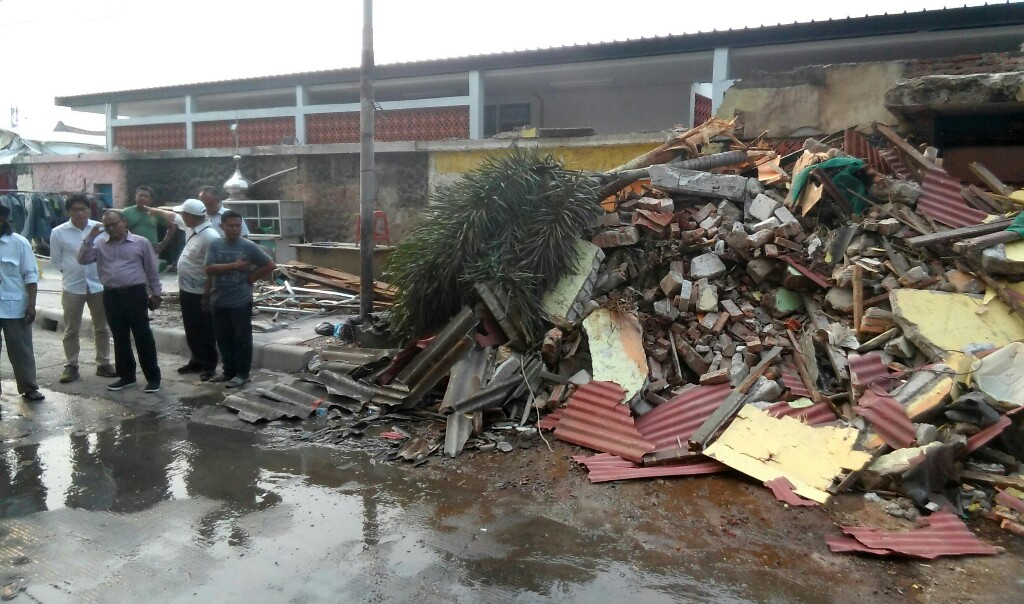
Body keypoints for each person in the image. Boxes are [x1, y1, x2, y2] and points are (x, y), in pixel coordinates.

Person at [77, 209, 163, 393]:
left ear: (124, 222)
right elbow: (82, 259)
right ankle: (127, 376)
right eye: (106, 225)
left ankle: (153, 377)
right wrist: (90, 237)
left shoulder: (140, 242)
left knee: (142, 335)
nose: (110, 228)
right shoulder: (100, 244)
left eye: (114, 224)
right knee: (119, 336)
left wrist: (156, 293)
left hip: (135, 293)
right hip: (111, 295)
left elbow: (151, 269)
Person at [48, 194, 117, 383]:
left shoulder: (100, 229)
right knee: (71, 329)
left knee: (102, 327)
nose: (79, 213)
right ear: (68, 211)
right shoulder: (58, 232)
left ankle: (103, 363)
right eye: (75, 209)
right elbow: (56, 260)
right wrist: (72, 272)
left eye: (83, 209)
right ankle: (71, 365)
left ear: (89, 210)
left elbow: (109, 253)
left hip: (98, 284)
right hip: (72, 286)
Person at [204, 211, 275, 388]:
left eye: (238, 225)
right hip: (218, 299)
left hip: (240, 300)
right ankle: (228, 371)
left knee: (242, 338)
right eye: (231, 225)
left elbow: (270, 264)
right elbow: (209, 269)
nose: (235, 229)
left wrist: (251, 278)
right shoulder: (215, 245)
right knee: (223, 338)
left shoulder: (248, 246)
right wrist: (235, 266)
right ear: (222, 226)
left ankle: (242, 374)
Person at [0, 205, 44, 401]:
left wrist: (31, 304)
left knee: (21, 350)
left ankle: (29, 387)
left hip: (14, 307)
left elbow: (31, 275)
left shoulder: (19, 243)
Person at [172, 199, 220, 380]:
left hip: (200, 291)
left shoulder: (210, 236)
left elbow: (212, 267)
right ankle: (196, 360)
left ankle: (208, 365)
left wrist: (207, 294)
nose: (182, 217)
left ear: (191, 216)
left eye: (184, 214)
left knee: (204, 330)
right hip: (187, 289)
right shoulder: (194, 230)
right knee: (191, 328)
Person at [121, 185, 177, 261]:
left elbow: (172, 226)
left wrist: (163, 243)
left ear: (150, 200)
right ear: (135, 197)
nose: (142, 198)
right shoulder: (125, 213)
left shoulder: (155, 213)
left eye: (145, 196)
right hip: (131, 251)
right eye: (140, 195)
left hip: (151, 251)